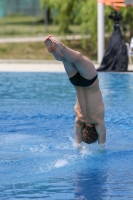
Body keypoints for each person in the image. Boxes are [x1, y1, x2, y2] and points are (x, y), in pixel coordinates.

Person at [44, 35, 106, 150]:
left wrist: (101, 148)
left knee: (79, 58)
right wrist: (79, 146)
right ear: (83, 129)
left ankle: (62, 47)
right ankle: (53, 51)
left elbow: (102, 135)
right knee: (64, 59)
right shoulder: (79, 120)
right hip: (76, 83)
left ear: (96, 130)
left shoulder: (98, 120)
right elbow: (77, 136)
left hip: (90, 82)